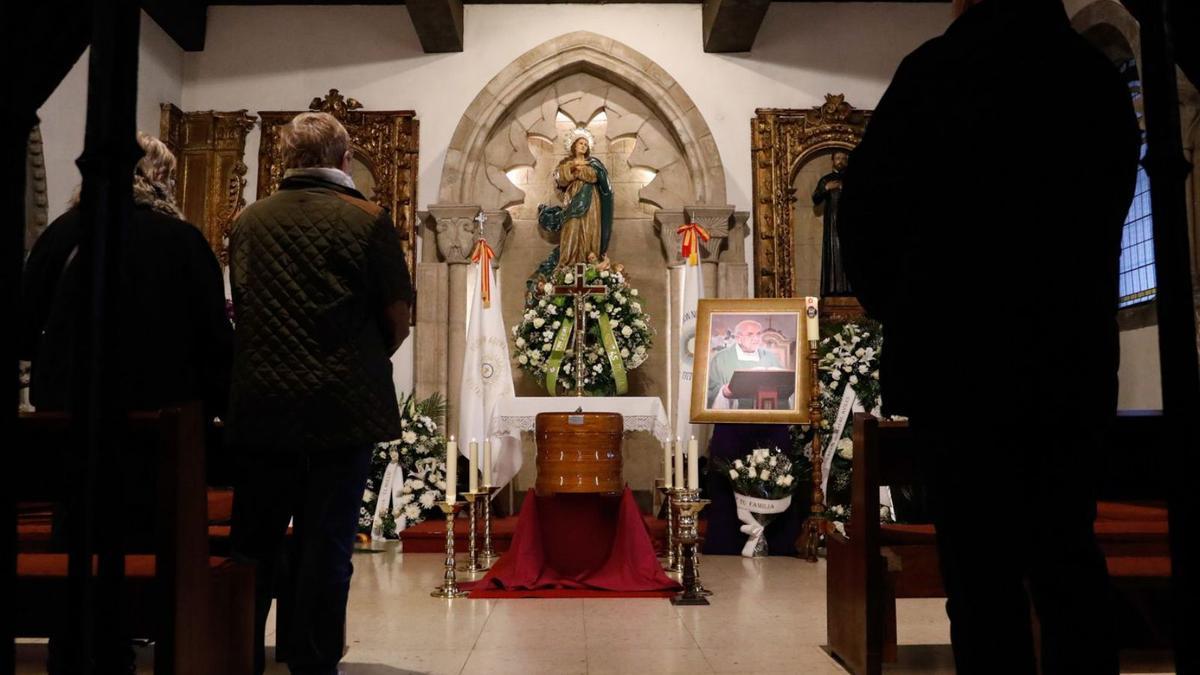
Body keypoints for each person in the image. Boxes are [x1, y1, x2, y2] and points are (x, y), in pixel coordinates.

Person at [838, 1, 1140, 673]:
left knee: (981, 582)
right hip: (1068, 357)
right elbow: (1115, 200)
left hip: (958, 364)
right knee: (1068, 561)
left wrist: (910, 307)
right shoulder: (1091, 76)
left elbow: (863, 216)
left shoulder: (936, 73)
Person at [19, 131, 232, 674]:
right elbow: (215, 339)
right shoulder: (181, 242)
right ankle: (148, 640)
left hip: (73, 422)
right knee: (155, 537)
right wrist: (216, 408)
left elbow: (24, 329)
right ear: (158, 177)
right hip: (161, 427)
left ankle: (73, 646)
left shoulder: (63, 234)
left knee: (78, 532)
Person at [226, 111, 413, 675]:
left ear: (285, 158)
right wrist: (357, 358)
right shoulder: (368, 219)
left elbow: (245, 304)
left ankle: (240, 658)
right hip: (341, 407)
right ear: (344, 158)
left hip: (263, 407)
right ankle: (313, 663)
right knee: (327, 543)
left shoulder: (249, 220)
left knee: (254, 542)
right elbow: (398, 316)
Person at [706, 319, 783, 408]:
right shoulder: (720, 359)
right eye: (750, 334)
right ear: (739, 338)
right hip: (734, 418)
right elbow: (709, 390)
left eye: (758, 334)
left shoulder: (770, 357)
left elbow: (784, 386)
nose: (756, 338)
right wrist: (723, 392)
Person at [813, 150, 852, 297]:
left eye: (843, 158)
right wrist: (826, 188)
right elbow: (816, 198)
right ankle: (833, 289)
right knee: (834, 253)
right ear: (833, 160)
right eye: (838, 158)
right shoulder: (826, 180)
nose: (840, 161)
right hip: (833, 224)